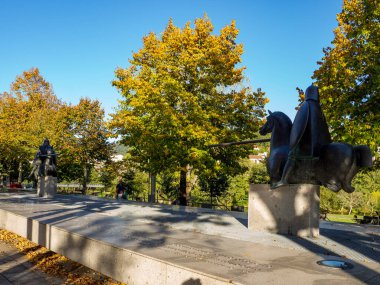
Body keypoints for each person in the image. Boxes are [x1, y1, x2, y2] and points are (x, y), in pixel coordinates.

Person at [272, 85, 331, 188]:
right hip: (318, 145)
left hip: (305, 143)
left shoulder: (305, 106)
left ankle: (284, 179)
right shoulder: (319, 109)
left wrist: (293, 141)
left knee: (291, 156)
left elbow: (298, 127)